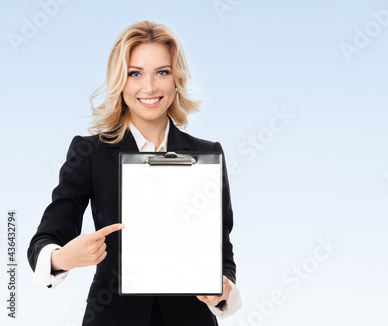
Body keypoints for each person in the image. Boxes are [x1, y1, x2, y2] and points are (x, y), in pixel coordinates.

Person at [27, 20, 241, 326]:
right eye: (135, 73)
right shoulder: (90, 153)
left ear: (176, 79)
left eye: (162, 72)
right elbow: (46, 237)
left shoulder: (207, 154)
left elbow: (222, 247)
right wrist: (61, 258)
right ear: (120, 80)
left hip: (191, 318)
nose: (150, 87)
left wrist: (223, 288)